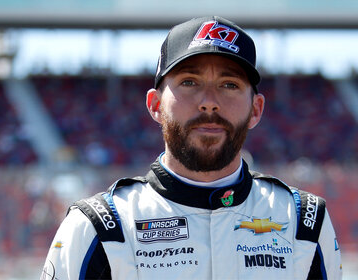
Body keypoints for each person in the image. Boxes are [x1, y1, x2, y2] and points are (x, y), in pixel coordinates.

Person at [41, 16, 342, 280]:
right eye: (189, 82)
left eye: (229, 85)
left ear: (256, 109)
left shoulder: (304, 222)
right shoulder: (97, 228)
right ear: (155, 105)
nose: (209, 101)